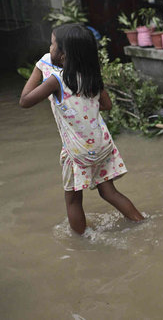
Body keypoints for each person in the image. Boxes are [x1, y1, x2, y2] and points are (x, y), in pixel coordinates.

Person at [19, 23, 144, 234]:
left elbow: (24, 101)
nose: (49, 49)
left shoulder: (55, 81)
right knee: (109, 192)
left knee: (73, 201)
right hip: (102, 144)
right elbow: (107, 105)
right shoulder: (92, 76)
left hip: (77, 152)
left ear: (63, 56)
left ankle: (83, 243)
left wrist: (38, 69)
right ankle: (141, 221)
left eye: (52, 45)